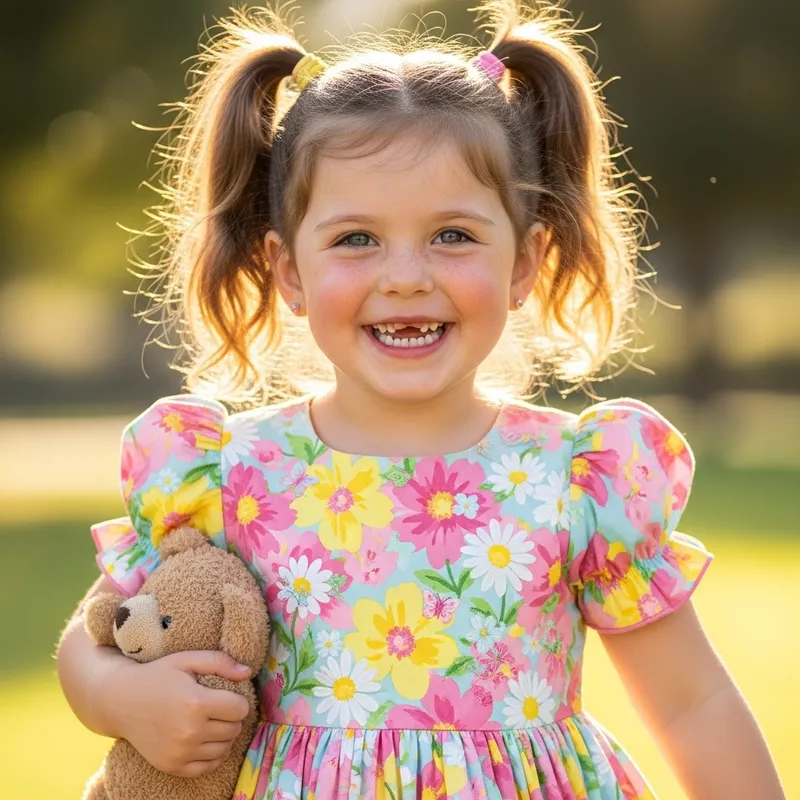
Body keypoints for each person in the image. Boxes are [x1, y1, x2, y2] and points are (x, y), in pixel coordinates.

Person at [57, 1, 785, 798]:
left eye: (453, 235)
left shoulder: (578, 480)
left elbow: (692, 704)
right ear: (290, 272)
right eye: (356, 239)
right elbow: (96, 637)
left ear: (524, 262)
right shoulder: (225, 476)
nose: (406, 275)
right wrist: (121, 697)